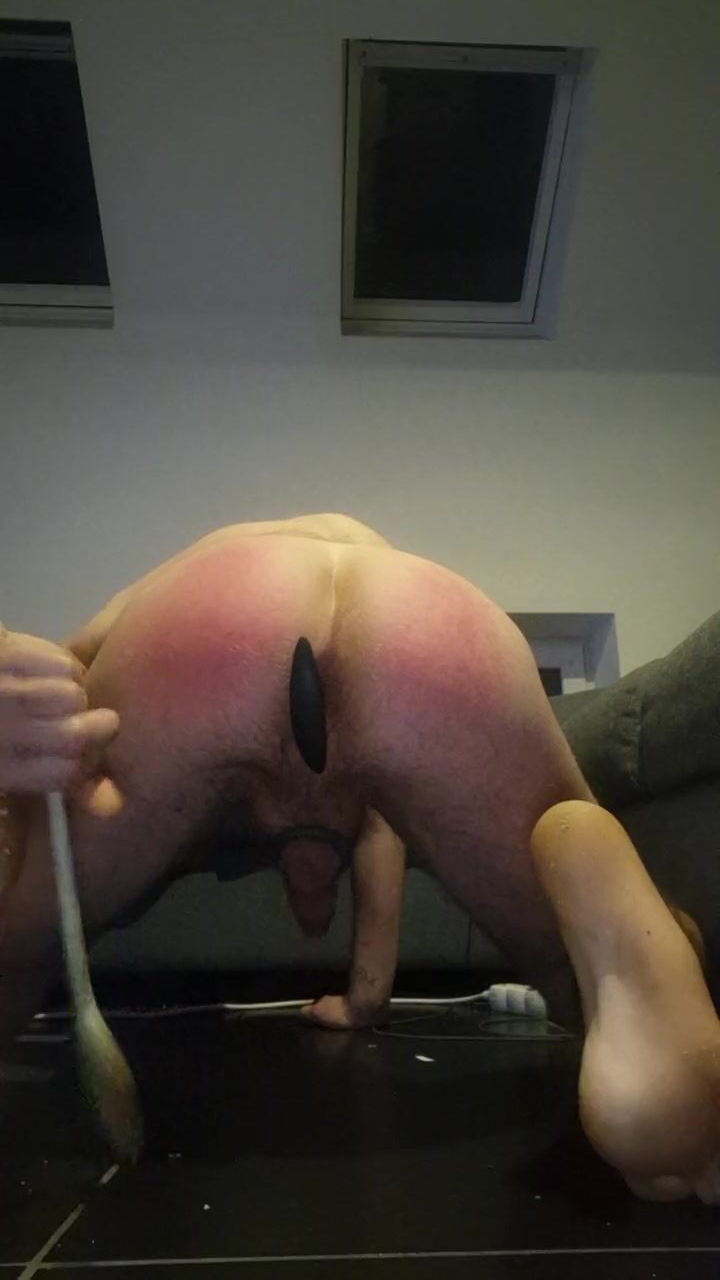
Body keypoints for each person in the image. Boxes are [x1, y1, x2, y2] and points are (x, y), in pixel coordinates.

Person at [1, 512, 718, 1203]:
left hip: (213, 617)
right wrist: (367, 996)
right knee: (572, 963)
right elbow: (381, 838)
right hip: (425, 624)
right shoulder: (375, 558)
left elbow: (66, 673)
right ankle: (611, 918)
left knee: (18, 944)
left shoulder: (192, 565)